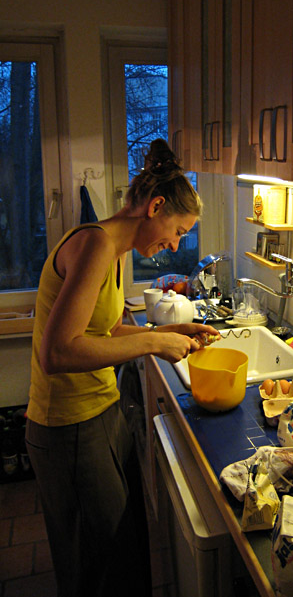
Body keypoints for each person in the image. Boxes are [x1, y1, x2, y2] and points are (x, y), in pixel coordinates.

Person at [25, 139, 218, 597]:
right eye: (179, 231)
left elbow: (106, 332)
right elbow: (59, 353)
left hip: (100, 412)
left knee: (125, 546)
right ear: (155, 207)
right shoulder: (93, 243)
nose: (176, 243)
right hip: (66, 425)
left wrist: (179, 331)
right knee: (97, 564)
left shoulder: (114, 250)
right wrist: (154, 341)